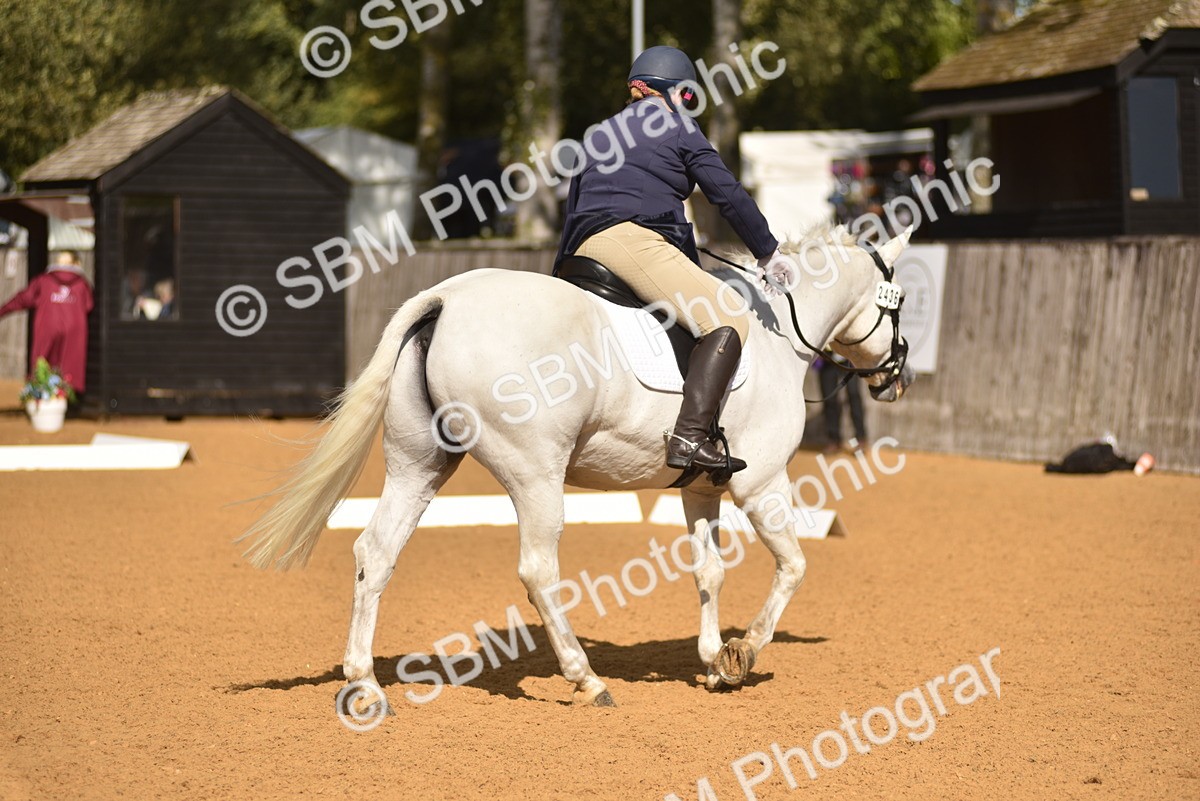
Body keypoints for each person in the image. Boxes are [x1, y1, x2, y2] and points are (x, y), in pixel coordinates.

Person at [556, 45, 796, 478]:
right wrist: (768, 251)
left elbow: (573, 205)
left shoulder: (596, 134)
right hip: (632, 242)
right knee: (725, 317)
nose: (688, 106)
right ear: (675, 93)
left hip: (581, 249)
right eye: (688, 97)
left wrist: (561, 269)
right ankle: (689, 434)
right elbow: (727, 194)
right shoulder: (678, 128)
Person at [0, 250, 94, 395]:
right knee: (70, 365)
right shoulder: (82, 284)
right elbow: (89, 305)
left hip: (47, 326)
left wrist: (2, 311)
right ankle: (68, 397)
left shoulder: (43, 281)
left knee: (42, 362)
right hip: (75, 330)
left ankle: (40, 396)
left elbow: (22, 299)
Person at [815, 355, 867, 453]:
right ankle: (833, 440)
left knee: (854, 395)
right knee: (829, 399)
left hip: (849, 359)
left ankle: (861, 439)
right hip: (827, 360)